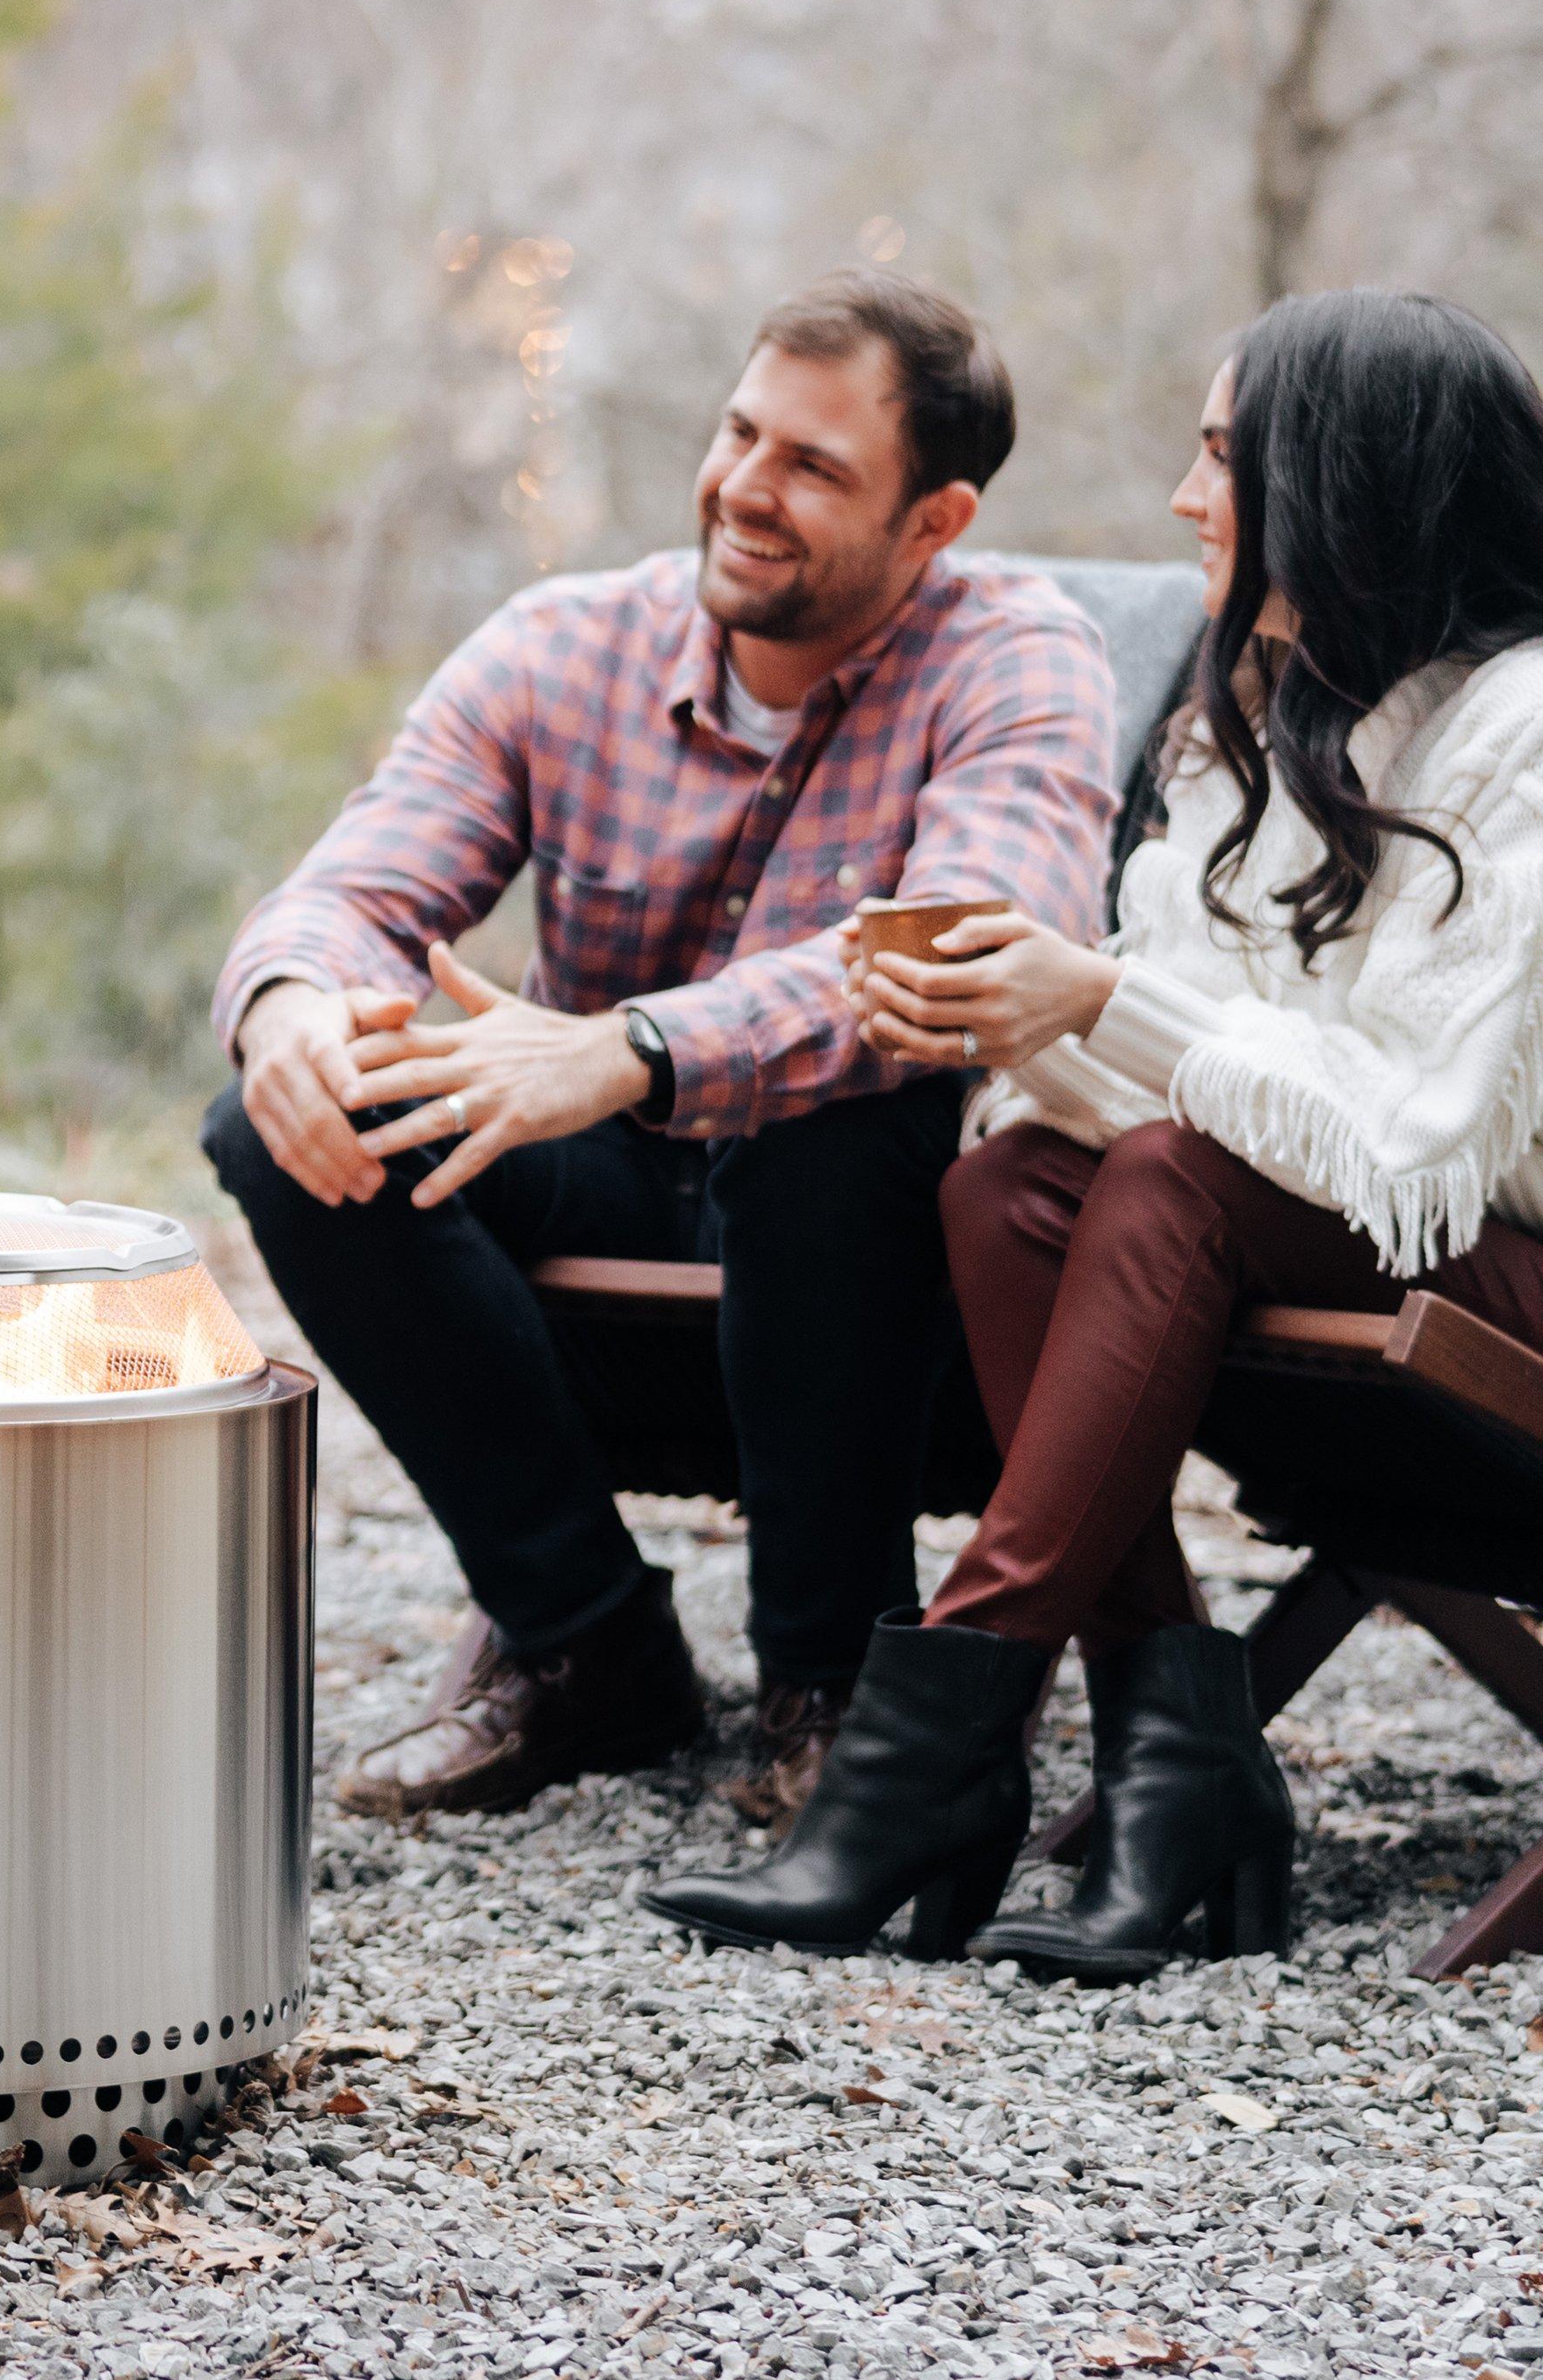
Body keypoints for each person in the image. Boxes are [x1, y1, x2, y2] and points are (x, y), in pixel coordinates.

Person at [648, 290, 1543, 1974]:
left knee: (1160, 1174)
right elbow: (1164, 1067)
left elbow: (1412, 1144)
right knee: (1012, 1183)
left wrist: (1093, 1005)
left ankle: (926, 1774)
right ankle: (1175, 1776)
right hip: (1324, 1232)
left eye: (1225, 456)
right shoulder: (1256, 712)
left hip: (1503, 1286)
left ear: (1337, 482)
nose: (1190, 499)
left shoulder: (1527, 730)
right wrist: (1013, 1027)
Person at [205, 271, 1120, 1821]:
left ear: (934, 523)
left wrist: (630, 1047)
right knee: (284, 1126)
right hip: (617, 1191)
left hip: (901, 1272)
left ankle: (830, 1688)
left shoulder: (1022, 659)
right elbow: (351, 891)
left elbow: (957, 962)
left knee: (845, 1117)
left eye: (815, 467)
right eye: (741, 431)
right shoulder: (566, 642)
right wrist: (293, 1007)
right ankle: (588, 1655)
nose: (747, 491)